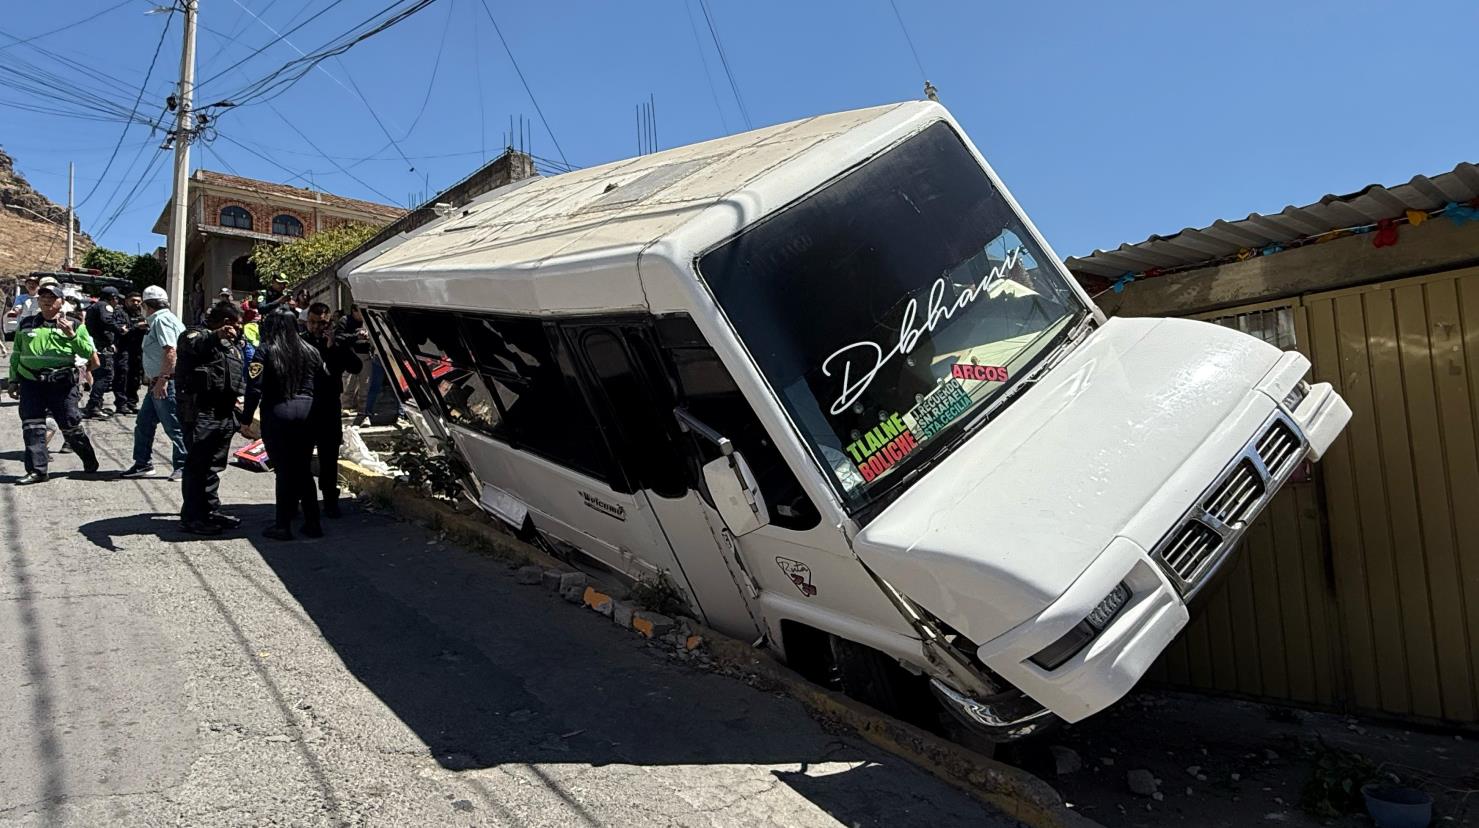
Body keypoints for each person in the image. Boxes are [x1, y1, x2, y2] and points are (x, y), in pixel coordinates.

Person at [6, 276, 100, 484]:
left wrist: (71, 335)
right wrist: (13, 380)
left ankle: (88, 458)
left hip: (61, 384)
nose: (47, 300)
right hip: (31, 382)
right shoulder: (27, 323)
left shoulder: (74, 323)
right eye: (43, 297)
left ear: (61, 302)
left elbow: (87, 353)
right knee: (33, 426)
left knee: (70, 426)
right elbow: (17, 353)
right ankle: (38, 471)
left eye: (52, 297)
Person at [242, 307, 325, 540]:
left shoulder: (265, 351)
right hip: (307, 412)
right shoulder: (311, 350)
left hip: (278, 412)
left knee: (284, 471)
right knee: (303, 469)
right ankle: (313, 522)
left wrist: (246, 418)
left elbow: (254, 387)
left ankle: (282, 524)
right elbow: (324, 381)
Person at [175, 301, 246, 535]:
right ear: (225, 322)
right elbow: (194, 345)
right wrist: (215, 336)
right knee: (197, 465)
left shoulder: (232, 346)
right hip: (200, 412)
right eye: (236, 324)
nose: (238, 329)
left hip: (224, 413)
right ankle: (193, 517)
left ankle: (210, 510)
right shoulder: (194, 334)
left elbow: (237, 377)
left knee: (213, 466)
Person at [121, 285, 188, 480]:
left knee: (174, 426)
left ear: (146, 305)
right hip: (158, 382)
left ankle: (183, 465)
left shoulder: (161, 321)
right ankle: (143, 463)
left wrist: (163, 380)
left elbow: (170, 350)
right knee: (144, 424)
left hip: (166, 382)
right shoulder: (163, 319)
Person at [302, 302, 361, 517]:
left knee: (329, 456)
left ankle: (329, 499)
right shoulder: (301, 342)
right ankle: (304, 499)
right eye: (313, 322)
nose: (317, 327)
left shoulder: (336, 344)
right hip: (306, 405)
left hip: (328, 406)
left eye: (322, 323)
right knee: (302, 456)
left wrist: (335, 347)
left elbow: (356, 366)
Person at [82, 286, 129, 418]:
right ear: (112, 298)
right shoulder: (104, 306)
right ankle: (93, 406)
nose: (117, 302)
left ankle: (96, 404)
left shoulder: (94, 306)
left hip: (97, 345)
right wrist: (120, 329)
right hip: (101, 346)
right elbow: (107, 321)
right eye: (116, 299)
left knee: (99, 375)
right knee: (105, 376)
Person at [117, 291, 147, 414]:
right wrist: (136, 326)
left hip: (137, 349)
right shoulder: (120, 313)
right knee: (122, 376)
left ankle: (132, 402)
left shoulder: (139, 314)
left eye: (138, 301)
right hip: (123, 348)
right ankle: (121, 404)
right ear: (126, 301)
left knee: (135, 376)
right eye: (133, 300)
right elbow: (120, 329)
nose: (136, 303)